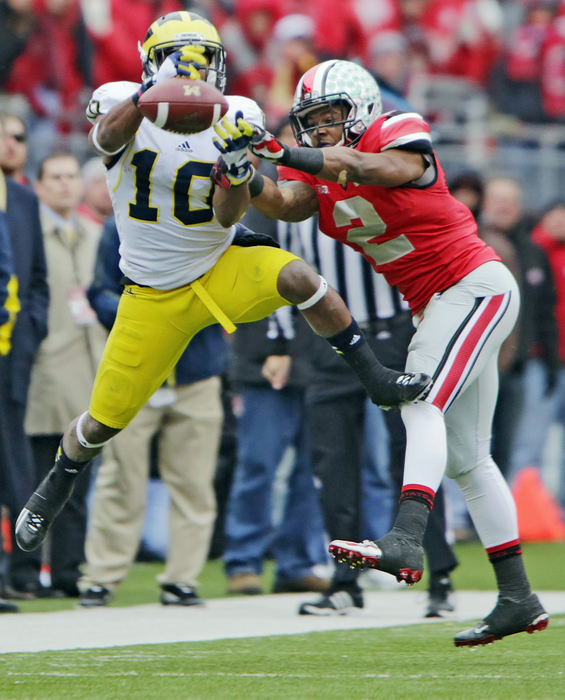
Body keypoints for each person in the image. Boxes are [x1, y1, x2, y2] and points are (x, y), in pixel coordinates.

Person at [14, 12, 430, 573]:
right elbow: (105, 139)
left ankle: (374, 376)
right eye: (182, 57)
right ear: (154, 63)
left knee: (301, 278)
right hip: (152, 292)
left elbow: (227, 211)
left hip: (217, 263)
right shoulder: (122, 103)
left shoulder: (235, 115)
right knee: (99, 424)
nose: (196, 69)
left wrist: (236, 170)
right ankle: (56, 483)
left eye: (203, 56)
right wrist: (146, 98)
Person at [212, 58, 549, 646]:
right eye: (308, 122)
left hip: (473, 285)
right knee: (469, 460)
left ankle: (405, 536)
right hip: (437, 304)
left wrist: (280, 149)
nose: (317, 131)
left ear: (360, 108)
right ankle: (518, 597)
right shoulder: (316, 169)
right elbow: (281, 204)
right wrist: (238, 166)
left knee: (416, 400)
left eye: (328, 118)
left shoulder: (396, 133)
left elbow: (368, 166)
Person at [78, 216, 226, 607]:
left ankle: (182, 579)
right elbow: (100, 292)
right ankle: (101, 577)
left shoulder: (219, 224)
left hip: (196, 372)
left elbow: (235, 292)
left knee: (193, 481)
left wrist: (187, 312)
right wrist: (150, 313)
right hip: (137, 371)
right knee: (120, 477)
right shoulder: (124, 224)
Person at [24, 151, 107, 597]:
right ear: (39, 185)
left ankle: (69, 572)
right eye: (54, 177)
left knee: (78, 482)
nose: (64, 184)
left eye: (71, 176)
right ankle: (26, 569)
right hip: (45, 372)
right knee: (37, 478)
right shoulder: (28, 235)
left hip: (90, 376)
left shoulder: (96, 233)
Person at [0, 120, 49, 600]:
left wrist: (30, 335)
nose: (11, 143)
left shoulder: (23, 200)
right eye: (4, 133)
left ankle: (22, 571)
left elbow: (37, 280)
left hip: (12, 351)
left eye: (18, 136)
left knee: (15, 463)